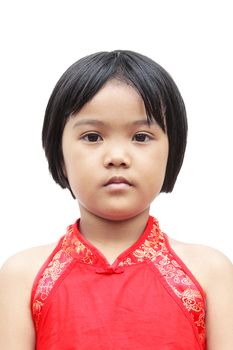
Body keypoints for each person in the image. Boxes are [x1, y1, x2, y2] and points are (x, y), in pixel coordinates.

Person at [0, 50, 232, 350]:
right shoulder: (23, 276)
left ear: (172, 152)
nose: (118, 157)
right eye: (93, 137)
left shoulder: (211, 273)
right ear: (59, 155)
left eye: (141, 136)